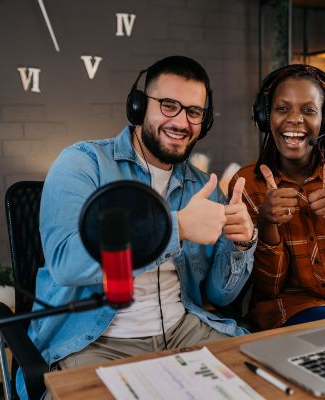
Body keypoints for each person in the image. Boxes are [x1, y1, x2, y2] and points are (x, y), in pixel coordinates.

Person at [17, 56, 257, 399]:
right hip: (96, 343)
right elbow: (66, 263)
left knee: (261, 382)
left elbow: (220, 295)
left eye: (194, 112)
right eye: (169, 105)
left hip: (184, 329)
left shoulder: (202, 186)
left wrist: (241, 243)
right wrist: (175, 229)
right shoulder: (83, 164)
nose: (181, 122)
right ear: (139, 106)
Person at [229, 64, 325, 330]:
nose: (294, 119)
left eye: (309, 110)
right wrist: (266, 223)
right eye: (282, 108)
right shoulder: (246, 184)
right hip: (288, 308)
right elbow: (269, 286)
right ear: (265, 116)